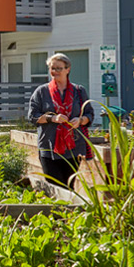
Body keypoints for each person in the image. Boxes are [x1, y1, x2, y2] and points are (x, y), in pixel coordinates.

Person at [27, 53, 95, 188]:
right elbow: (32, 116)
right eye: (52, 68)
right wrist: (52, 118)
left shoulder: (79, 91)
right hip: (49, 147)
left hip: (73, 147)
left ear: (67, 69)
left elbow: (90, 114)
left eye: (59, 68)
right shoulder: (41, 92)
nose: (55, 72)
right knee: (55, 187)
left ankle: (67, 210)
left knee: (69, 187)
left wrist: (80, 120)